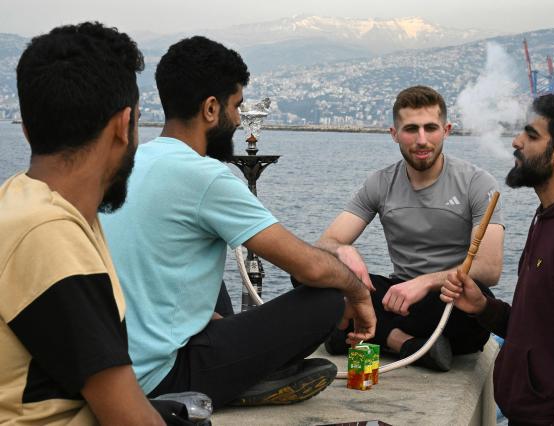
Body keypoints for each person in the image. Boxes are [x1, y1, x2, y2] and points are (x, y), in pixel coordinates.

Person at [100, 36, 375, 409]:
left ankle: (243, 374)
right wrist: (356, 291)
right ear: (211, 109)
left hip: (113, 366)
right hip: (161, 377)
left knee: (208, 277)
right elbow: (309, 266)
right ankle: (240, 380)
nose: (238, 120)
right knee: (327, 297)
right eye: (237, 107)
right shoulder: (205, 176)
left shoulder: (131, 161)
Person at [0, 22, 186, 425]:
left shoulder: (19, 201)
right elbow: (127, 417)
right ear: (124, 125)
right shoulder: (47, 232)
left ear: (28, 128)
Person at [441, 94, 554, 425]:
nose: (516, 142)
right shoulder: (549, 217)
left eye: (530, 134)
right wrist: (485, 308)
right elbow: (544, 330)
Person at [317, 85, 504, 371]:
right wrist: (343, 251)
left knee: (473, 304)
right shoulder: (380, 183)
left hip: (448, 302)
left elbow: (489, 270)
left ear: (446, 130)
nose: (421, 140)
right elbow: (326, 242)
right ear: (394, 134)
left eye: (430, 128)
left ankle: (350, 333)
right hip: (397, 298)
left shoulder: (476, 183)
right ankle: (403, 343)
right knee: (313, 276)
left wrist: (426, 282)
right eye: (410, 129)